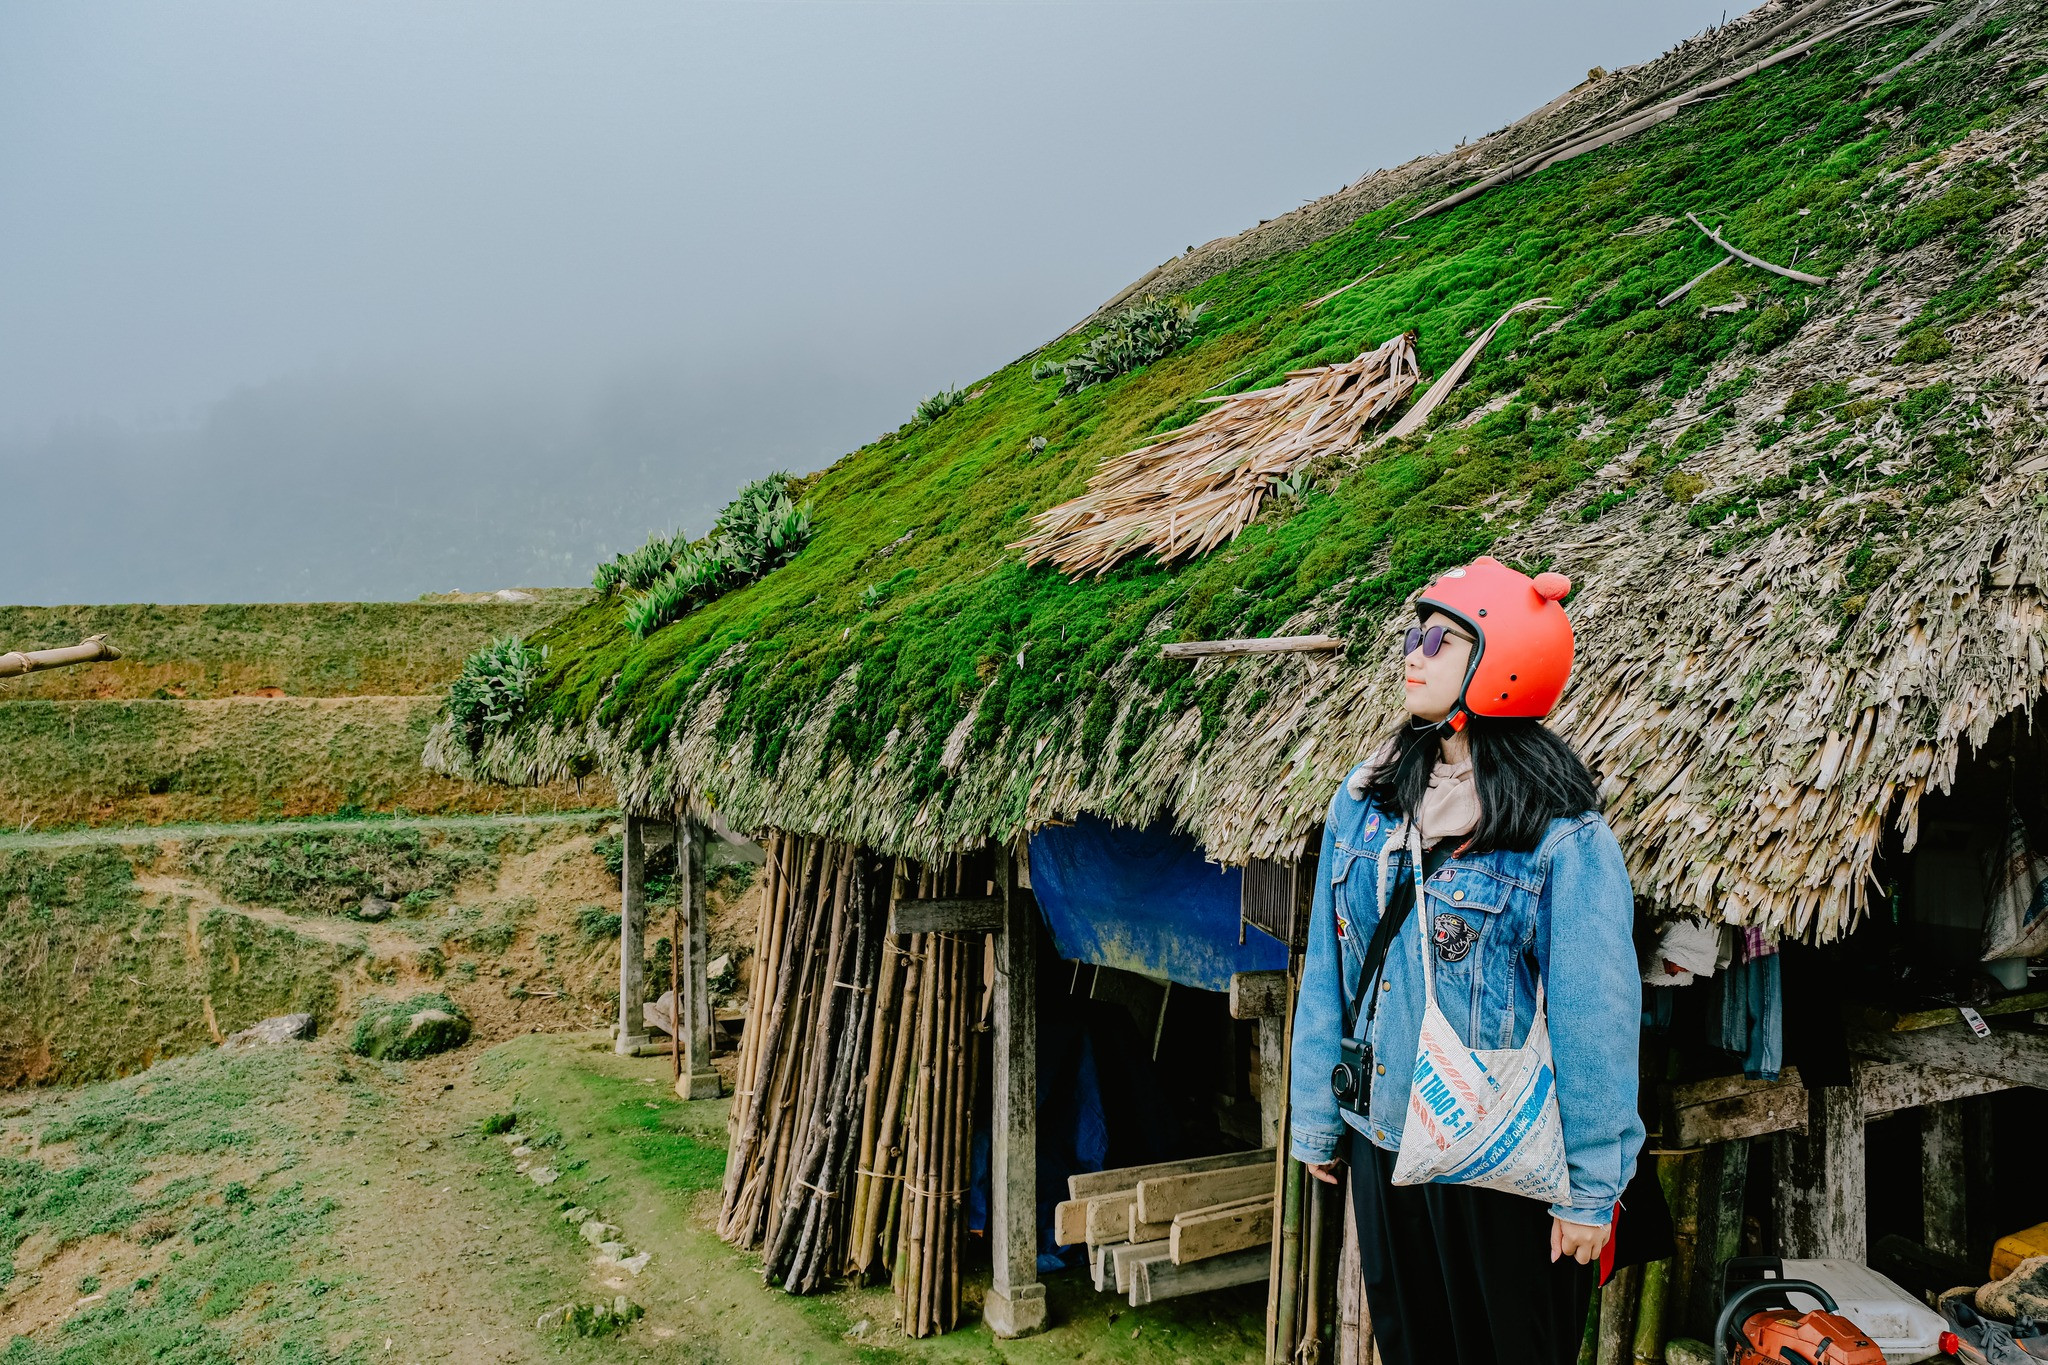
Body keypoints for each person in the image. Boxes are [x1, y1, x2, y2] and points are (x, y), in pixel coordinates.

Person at [1287, 555, 1643, 1365]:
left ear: (1499, 663)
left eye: (1439, 639)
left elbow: (1599, 1016)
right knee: (1413, 1347)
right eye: (1415, 634)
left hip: (1503, 1159)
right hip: (1386, 1140)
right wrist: (1317, 1117)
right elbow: (1328, 968)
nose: (1412, 652)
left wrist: (1592, 1191)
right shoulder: (1368, 801)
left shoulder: (1559, 836)